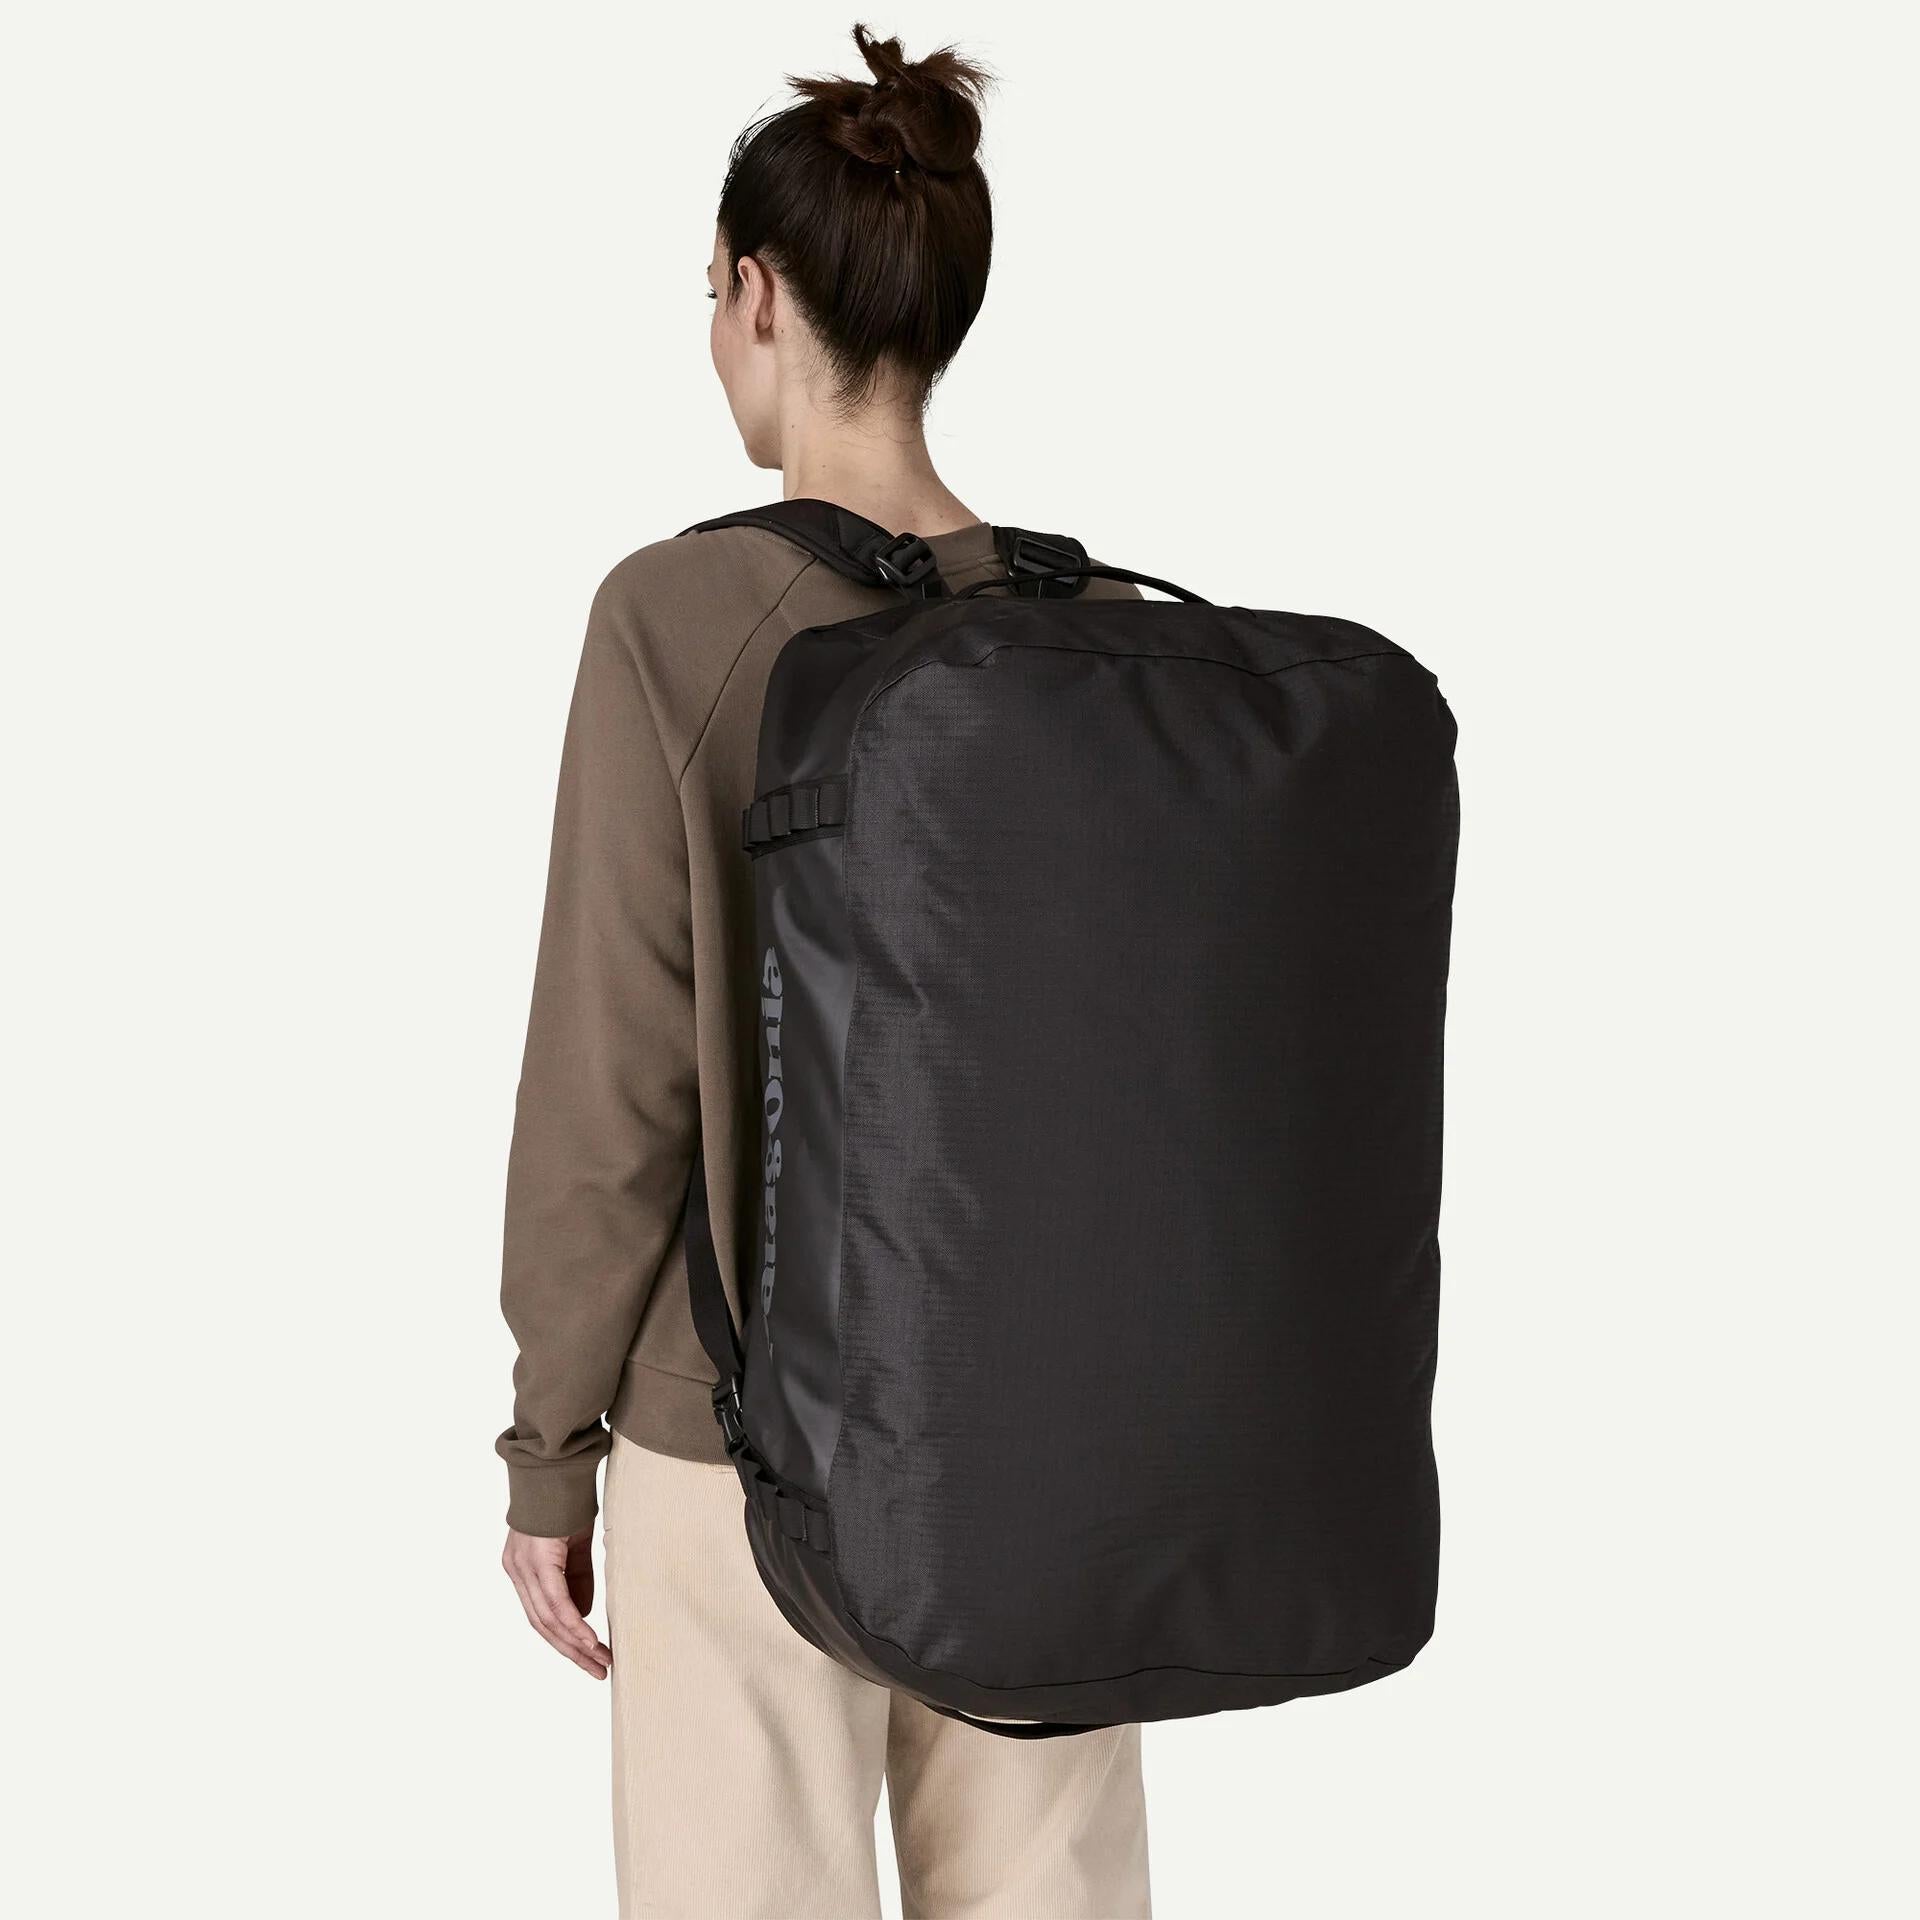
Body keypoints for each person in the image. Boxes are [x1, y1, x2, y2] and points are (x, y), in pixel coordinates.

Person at [496, 25, 1151, 1918]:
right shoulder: (1103, 632)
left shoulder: (674, 613)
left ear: (760, 293)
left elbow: (615, 1080)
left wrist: (547, 1456)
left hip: (740, 1443)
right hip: (1053, 1430)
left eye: (709, 291)